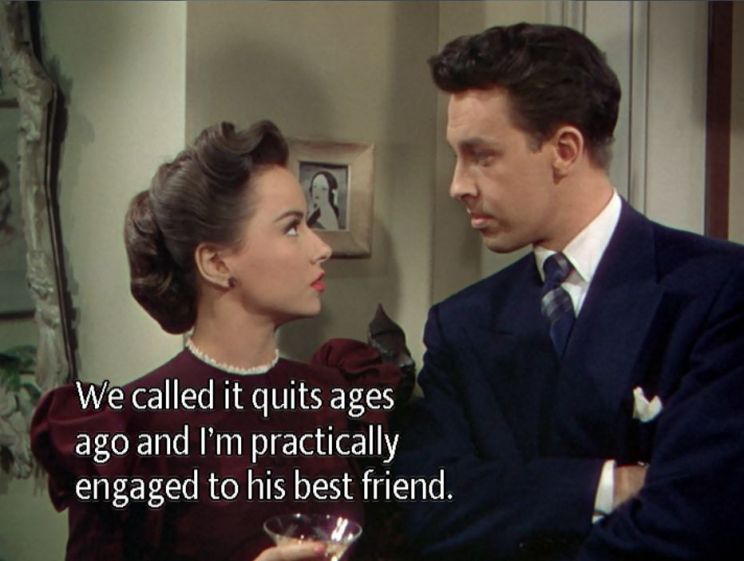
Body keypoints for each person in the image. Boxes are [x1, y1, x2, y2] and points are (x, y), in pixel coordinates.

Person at [394, 22, 744, 560]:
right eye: (456, 157)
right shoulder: (461, 323)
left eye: (481, 155)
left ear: (563, 149)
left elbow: (693, 515)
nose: (458, 185)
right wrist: (606, 483)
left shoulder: (717, 289)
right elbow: (427, 506)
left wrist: (518, 497)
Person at [31, 120, 408, 561]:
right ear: (216, 263)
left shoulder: (334, 394)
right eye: (292, 228)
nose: (321, 248)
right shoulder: (133, 432)